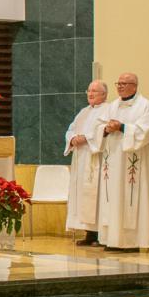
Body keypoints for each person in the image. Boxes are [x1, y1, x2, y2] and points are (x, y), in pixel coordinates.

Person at [96, 73, 149, 250]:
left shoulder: (145, 106)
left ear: (135, 86)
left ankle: (132, 241)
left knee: (130, 197)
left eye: (124, 83)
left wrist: (122, 127)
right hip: (113, 159)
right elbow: (98, 127)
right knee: (113, 197)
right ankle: (112, 240)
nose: (120, 86)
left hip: (133, 161)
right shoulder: (112, 106)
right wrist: (106, 128)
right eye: (118, 83)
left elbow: (145, 132)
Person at [64, 80, 109, 246]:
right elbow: (71, 129)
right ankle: (88, 233)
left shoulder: (108, 110)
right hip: (80, 159)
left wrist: (86, 138)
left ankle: (98, 234)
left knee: (95, 194)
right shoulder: (83, 112)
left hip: (94, 158)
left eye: (95, 91)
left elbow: (103, 131)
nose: (90, 94)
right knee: (82, 196)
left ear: (104, 94)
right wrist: (72, 138)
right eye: (89, 90)